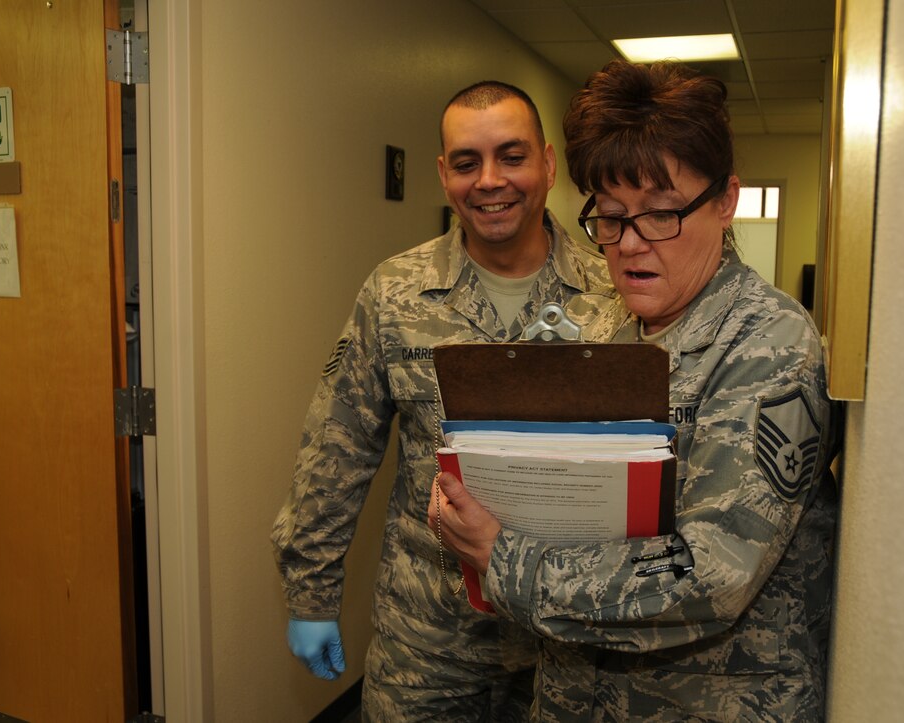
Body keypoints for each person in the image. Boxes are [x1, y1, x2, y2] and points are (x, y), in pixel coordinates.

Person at [428, 60, 840, 721]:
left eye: (661, 215)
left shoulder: (770, 345)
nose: (629, 243)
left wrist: (506, 558)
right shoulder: (615, 339)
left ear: (726, 200)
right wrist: (477, 489)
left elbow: (713, 574)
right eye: (611, 218)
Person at [271, 80, 610, 721]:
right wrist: (311, 592)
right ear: (442, 174)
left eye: (511, 157)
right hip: (426, 632)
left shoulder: (611, 290)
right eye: (466, 162)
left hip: (564, 634)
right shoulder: (396, 292)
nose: (489, 181)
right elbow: (336, 448)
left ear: (547, 162)